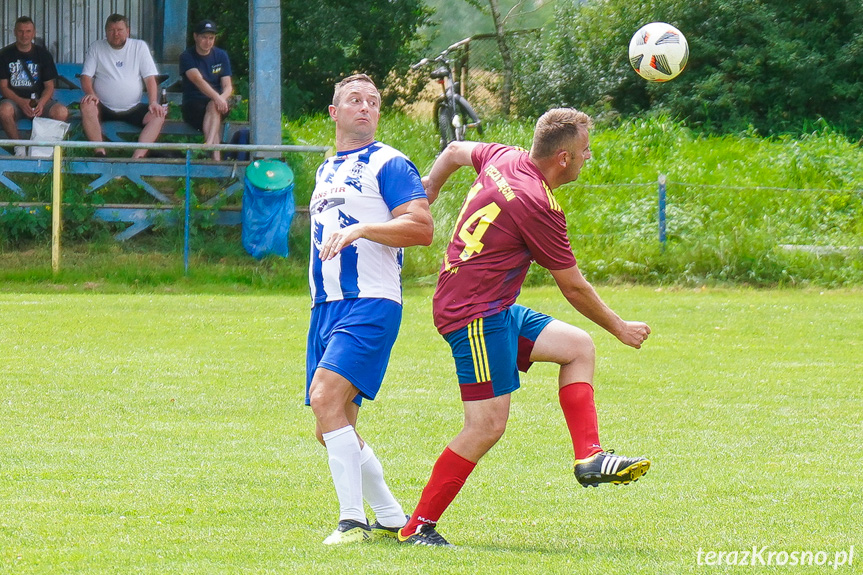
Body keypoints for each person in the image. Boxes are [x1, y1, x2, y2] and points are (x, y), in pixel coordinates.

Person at [398, 108, 652, 547]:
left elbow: (456, 150)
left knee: (577, 346)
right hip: (473, 314)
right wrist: (621, 327)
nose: (589, 157)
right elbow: (573, 286)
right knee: (486, 426)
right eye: (585, 150)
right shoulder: (539, 205)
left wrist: (432, 185)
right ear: (564, 159)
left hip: (490, 305)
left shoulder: (504, 157)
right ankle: (417, 527)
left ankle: (589, 457)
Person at [305, 73, 434, 545]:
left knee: (324, 398)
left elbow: (421, 228)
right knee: (331, 426)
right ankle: (393, 516)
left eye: (373, 101)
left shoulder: (392, 163)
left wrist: (361, 230)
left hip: (371, 301)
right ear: (335, 112)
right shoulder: (324, 171)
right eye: (354, 100)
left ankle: (351, 521)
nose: (365, 106)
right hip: (326, 307)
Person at [79, 13, 165, 158]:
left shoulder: (139, 47)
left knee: (158, 114)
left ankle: (137, 158)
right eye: (111, 30)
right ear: (106, 32)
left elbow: (150, 78)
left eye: (119, 30)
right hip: (103, 106)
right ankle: (100, 153)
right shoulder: (97, 47)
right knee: (87, 105)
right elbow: (86, 76)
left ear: (128, 31)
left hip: (133, 107)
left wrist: (153, 102)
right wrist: (91, 94)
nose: (116, 34)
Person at [0, 16, 69, 157]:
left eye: (28, 31)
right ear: (14, 32)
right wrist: (21, 102)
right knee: (4, 110)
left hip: (38, 100)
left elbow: (49, 86)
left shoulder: (43, 55)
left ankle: (40, 150)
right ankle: (19, 147)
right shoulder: (5, 54)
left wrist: (42, 103)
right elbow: (4, 87)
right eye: (20, 31)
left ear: (33, 32)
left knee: (61, 112)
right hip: (15, 101)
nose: (24, 35)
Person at [179, 20, 233, 161]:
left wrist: (221, 98)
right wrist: (217, 98)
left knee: (213, 106)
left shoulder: (221, 55)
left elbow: (228, 86)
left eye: (211, 38)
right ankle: (216, 156)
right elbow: (198, 80)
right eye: (204, 37)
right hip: (193, 106)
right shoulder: (187, 56)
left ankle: (209, 146)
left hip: (219, 104)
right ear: (195, 37)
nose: (207, 42)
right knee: (213, 106)